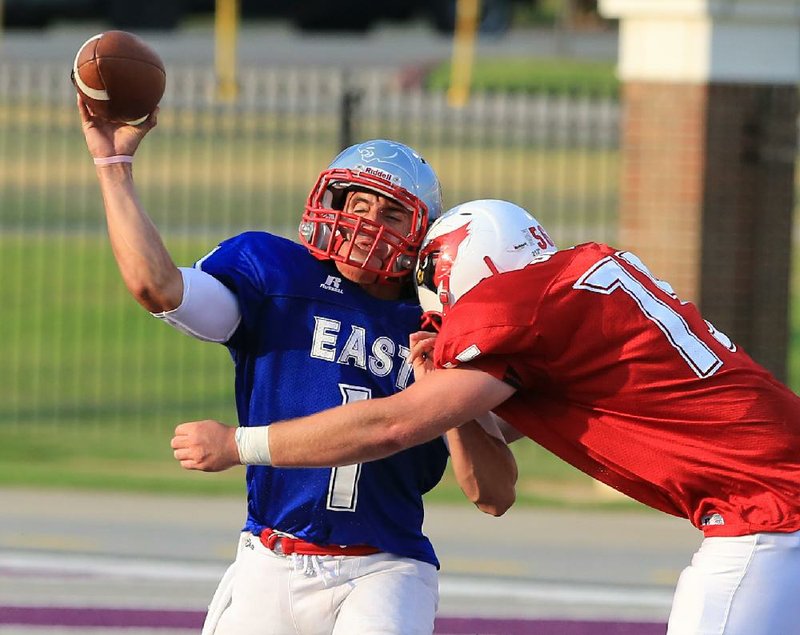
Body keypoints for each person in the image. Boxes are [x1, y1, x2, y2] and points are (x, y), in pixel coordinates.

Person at [173, 198, 800, 634]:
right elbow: (491, 475)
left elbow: (391, 425)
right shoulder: (587, 279)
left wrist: (239, 444)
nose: (438, 315)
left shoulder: (511, 308)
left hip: (767, 517)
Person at [77, 95, 518, 635]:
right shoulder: (277, 274)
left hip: (387, 565)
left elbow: (494, 486)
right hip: (271, 556)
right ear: (330, 203)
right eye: (358, 205)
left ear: (420, 231)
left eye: (391, 212)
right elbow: (158, 287)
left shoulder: (440, 321)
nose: (368, 224)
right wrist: (113, 167)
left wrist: (453, 390)